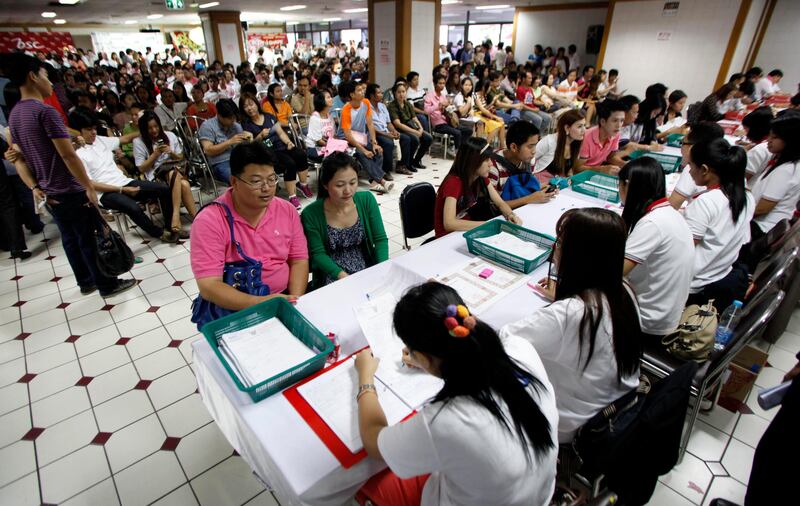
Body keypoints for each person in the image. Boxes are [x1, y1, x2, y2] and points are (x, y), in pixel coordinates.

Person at [355, 281, 558, 506]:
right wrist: (431, 359)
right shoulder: (521, 350)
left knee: (365, 479)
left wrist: (365, 376)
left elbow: (374, 442)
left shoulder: (445, 420)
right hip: (540, 496)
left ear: (423, 358)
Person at [501, 207, 640, 443]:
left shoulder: (571, 314)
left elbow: (504, 340)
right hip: (617, 404)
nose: (555, 248)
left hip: (577, 424)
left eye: (561, 242)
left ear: (580, 255)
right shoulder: (624, 291)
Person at [5, 53, 135, 297]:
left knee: (70, 239)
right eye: (45, 75)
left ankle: (85, 281)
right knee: (90, 236)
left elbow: (26, 157)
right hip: (68, 187)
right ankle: (107, 284)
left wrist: (34, 186)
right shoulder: (45, 112)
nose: (51, 83)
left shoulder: (15, 116)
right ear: (33, 76)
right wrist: (87, 186)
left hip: (48, 189)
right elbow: (68, 156)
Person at [190, 142, 308, 311]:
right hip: (234, 308)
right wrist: (262, 303)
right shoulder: (209, 220)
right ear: (234, 182)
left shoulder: (286, 210)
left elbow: (299, 260)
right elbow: (209, 285)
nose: (266, 188)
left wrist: (294, 302)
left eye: (272, 179)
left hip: (283, 298)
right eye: (256, 181)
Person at [69, 107, 178, 243]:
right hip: (105, 193)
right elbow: (91, 184)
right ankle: (159, 233)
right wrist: (122, 190)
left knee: (163, 189)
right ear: (77, 132)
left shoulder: (100, 140)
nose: (93, 132)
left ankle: (169, 226)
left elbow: (126, 138)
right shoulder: (76, 154)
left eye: (94, 128)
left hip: (123, 182)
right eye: (89, 130)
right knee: (133, 207)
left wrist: (146, 130)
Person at [618, 158, 694, 339]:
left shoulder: (653, 223)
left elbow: (613, 274)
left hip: (647, 320)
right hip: (665, 310)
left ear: (627, 185)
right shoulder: (667, 213)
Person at [684, 138, 754, 311]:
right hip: (719, 271)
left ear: (705, 170)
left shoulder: (706, 203)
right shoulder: (747, 198)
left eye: (691, 166)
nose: (690, 171)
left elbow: (684, 250)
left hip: (695, 282)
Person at [300, 152, 388, 288]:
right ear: (325, 184)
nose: (348, 191)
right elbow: (318, 254)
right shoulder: (311, 214)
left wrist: (381, 267)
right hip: (332, 273)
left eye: (353, 182)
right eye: (340, 185)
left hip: (366, 267)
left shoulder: (366, 200)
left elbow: (380, 239)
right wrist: (343, 276)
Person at [434, 137, 522, 238]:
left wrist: (510, 215)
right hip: (446, 237)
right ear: (473, 161)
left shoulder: (480, 177)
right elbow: (449, 224)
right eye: (486, 160)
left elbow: (500, 203)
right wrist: (489, 225)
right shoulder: (454, 182)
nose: (490, 164)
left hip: (464, 229)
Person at [239, 93, 312, 210]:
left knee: (300, 154)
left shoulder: (269, 117)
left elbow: (280, 132)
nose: (249, 108)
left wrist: (288, 142)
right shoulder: (245, 125)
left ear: (256, 104)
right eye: (245, 106)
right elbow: (250, 146)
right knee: (289, 163)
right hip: (266, 153)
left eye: (251, 104)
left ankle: (303, 185)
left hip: (281, 146)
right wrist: (260, 136)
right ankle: (292, 196)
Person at [133, 111, 197, 234]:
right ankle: (189, 217)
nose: (154, 130)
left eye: (156, 126)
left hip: (176, 171)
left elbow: (181, 157)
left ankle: (178, 216)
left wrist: (170, 153)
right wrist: (155, 154)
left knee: (176, 176)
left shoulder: (170, 136)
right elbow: (141, 168)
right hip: (155, 176)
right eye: (150, 128)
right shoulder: (139, 142)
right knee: (182, 183)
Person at [748, 115, 800, 239]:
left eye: (775, 137)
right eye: (770, 135)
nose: (769, 140)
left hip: (761, 228)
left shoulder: (785, 170)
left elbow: (762, 209)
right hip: (768, 225)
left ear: (789, 140)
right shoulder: (787, 162)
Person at [339, 81, 394, 194]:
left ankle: (374, 181)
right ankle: (382, 181)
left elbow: (370, 124)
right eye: (359, 90)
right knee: (362, 153)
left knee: (378, 151)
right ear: (352, 95)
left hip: (361, 138)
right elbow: (347, 135)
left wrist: (374, 143)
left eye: (362, 89)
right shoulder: (346, 110)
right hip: (346, 140)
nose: (362, 91)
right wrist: (364, 150)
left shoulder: (366, 103)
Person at [489, 120, 557, 209]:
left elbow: (523, 187)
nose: (534, 151)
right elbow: (494, 206)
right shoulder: (492, 166)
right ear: (514, 147)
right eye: (530, 146)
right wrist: (530, 198)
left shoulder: (528, 160)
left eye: (535, 145)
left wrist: (541, 189)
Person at [668, 122, 726, 209]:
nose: (681, 148)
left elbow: (672, 206)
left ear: (692, 147)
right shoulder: (726, 163)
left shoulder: (694, 168)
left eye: (683, 143)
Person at [198, 98, 252, 182]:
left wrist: (248, 139)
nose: (233, 121)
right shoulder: (207, 126)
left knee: (259, 173)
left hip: (239, 159)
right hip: (220, 163)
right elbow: (208, 150)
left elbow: (243, 148)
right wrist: (230, 142)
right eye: (230, 118)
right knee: (240, 180)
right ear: (219, 115)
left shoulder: (236, 126)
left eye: (234, 117)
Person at [533, 109, 586, 185]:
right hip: (541, 184)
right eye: (579, 126)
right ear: (567, 128)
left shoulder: (575, 144)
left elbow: (568, 171)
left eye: (584, 125)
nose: (584, 130)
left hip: (559, 184)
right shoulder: (549, 141)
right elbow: (529, 160)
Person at [388, 82, 433, 171]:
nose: (401, 94)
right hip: (400, 129)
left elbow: (415, 118)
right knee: (415, 139)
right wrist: (415, 132)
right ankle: (406, 163)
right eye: (399, 92)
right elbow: (398, 124)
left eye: (403, 92)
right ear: (395, 93)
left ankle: (415, 161)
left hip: (412, 127)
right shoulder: (392, 106)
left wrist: (420, 128)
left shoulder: (407, 103)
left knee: (428, 138)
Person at [367, 83, 408, 175]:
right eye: (379, 93)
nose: (382, 94)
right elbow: (370, 127)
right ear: (372, 95)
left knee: (406, 139)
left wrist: (394, 131)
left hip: (386, 131)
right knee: (388, 142)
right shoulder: (366, 107)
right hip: (375, 134)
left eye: (382, 92)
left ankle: (401, 165)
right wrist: (387, 134)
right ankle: (386, 171)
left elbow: (388, 123)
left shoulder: (382, 106)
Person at [576, 99, 626, 174]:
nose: (619, 125)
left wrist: (625, 164)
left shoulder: (615, 134)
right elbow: (577, 169)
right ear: (602, 122)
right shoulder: (586, 137)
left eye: (622, 121)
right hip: (582, 176)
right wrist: (601, 169)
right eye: (615, 121)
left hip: (596, 173)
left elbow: (611, 157)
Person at [472, 78, 507, 148]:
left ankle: (502, 146)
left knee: (501, 123)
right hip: (476, 115)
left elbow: (484, 109)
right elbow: (482, 110)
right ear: (483, 87)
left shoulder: (484, 95)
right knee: (497, 125)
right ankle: (485, 146)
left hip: (483, 114)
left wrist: (492, 103)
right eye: (489, 87)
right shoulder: (475, 95)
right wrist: (495, 117)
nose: (490, 88)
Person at [306, 90, 336, 158]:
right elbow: (319, 141)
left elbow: (333, 136)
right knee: (335, 156)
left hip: (327, 145)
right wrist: (333, 147)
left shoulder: (329, 116)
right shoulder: (315, 118)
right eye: (328, 97)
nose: (331, 99)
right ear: (321, 101)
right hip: (314, 148)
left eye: (331, 97)